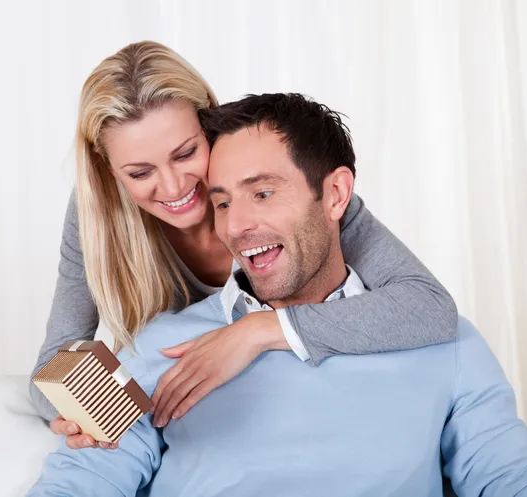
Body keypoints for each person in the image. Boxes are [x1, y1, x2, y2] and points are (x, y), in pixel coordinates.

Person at [28, 93, 527, 497]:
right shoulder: (161, 345)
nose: (238, 225)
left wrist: (261, 332)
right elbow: (81, 481)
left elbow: (509, 476)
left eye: (263, 193)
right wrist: (76, 417)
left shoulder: (441, 338)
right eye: (220, 202)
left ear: (335, 196)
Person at [30, 41, 458, 449]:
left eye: (185, 154)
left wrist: (256, 331)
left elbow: (427, 305)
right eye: (140, 173)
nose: (174, 185)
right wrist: (93, 412)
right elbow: (54, 362)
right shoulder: (98, 213)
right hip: (215, 420)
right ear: (110, 172)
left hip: (322, 395)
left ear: (209, 126)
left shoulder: (292, 191)